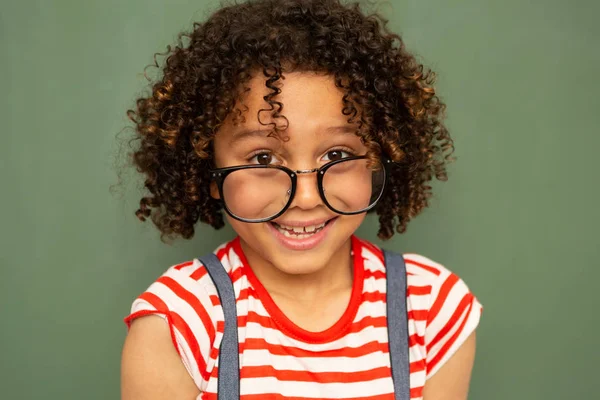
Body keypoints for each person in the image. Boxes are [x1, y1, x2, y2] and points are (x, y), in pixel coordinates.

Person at [120, 0, 482, 399]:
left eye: (338, 156)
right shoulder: (178, 322)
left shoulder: (432, 308)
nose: (307, 197)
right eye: (263, 158)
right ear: (208, 170)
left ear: (380, 155)